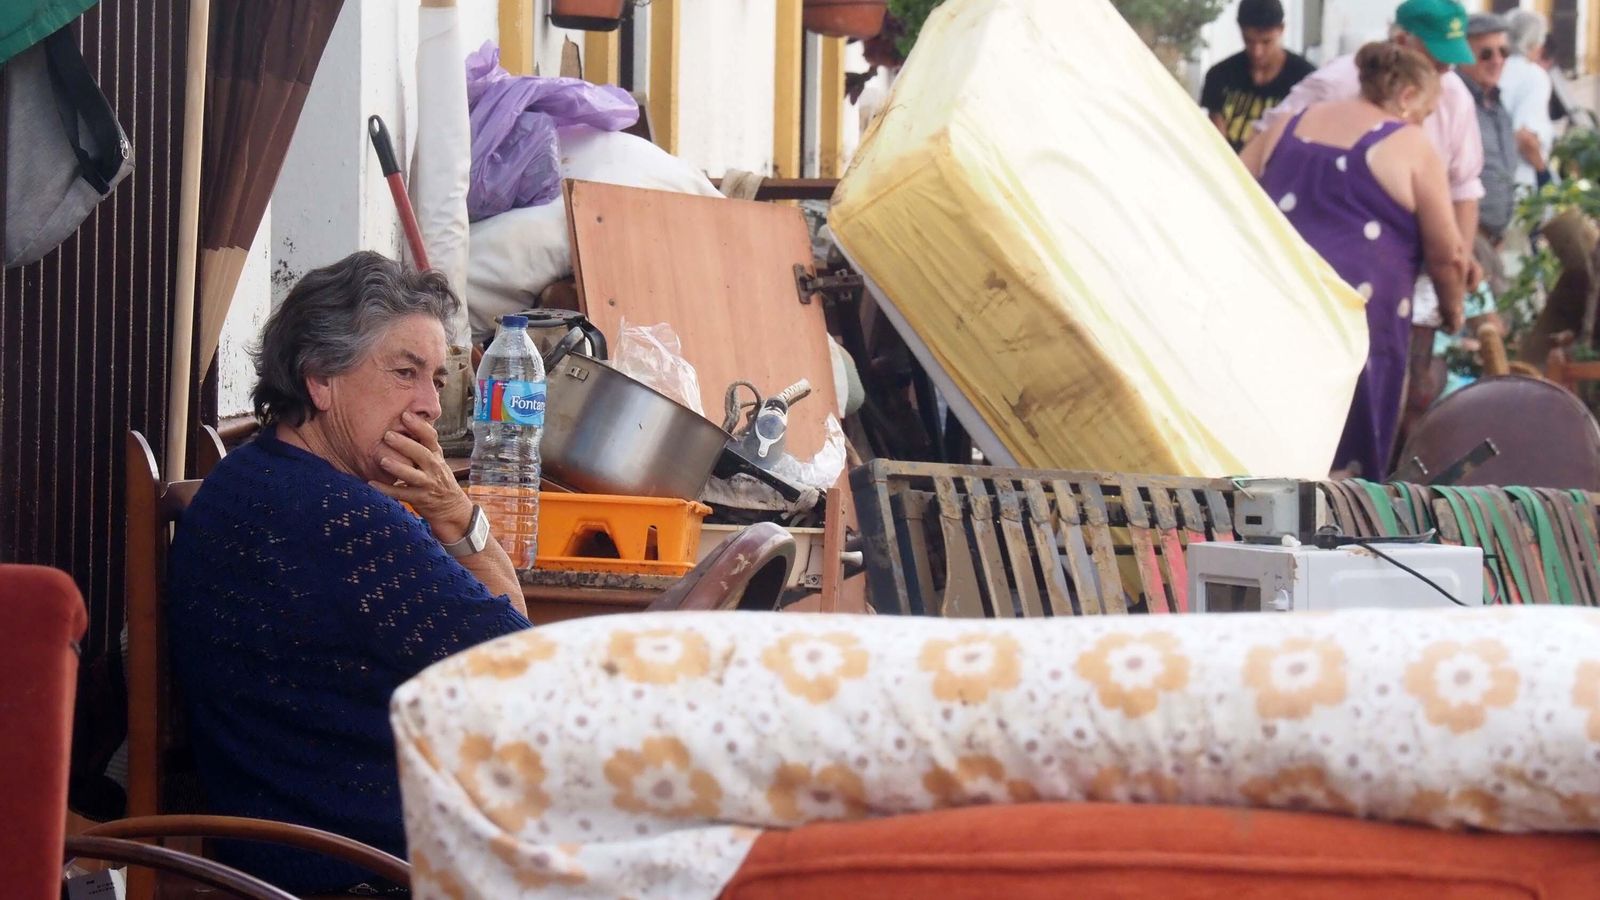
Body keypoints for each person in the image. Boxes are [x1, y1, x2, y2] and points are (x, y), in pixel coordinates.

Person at [167, 252, 532, 894]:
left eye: (437, 380)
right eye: (404, 373)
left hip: (282, 844)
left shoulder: (247, 474)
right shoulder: (342, 520)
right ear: (320, 379)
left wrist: (450, 513)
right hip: (366, 868)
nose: (429, 406)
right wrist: (455, 514)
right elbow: (522, 668)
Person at [1248, 0, 1483, 468]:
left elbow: (1235, 182)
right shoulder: (1407, 140)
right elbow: (1445, 255)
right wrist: (1454, 309)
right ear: (1406, 95)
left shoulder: (1292, 124)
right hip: (1361, 320)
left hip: (1277, 299)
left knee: (1272, 434)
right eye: (1424, 111)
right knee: (1345, 453)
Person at [1199, 0, 1316, 151]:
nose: (1257, 52)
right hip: (1228, 163)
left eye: (1266, 42)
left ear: (1281, 29)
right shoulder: (1219, 75)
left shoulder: (1305, 78)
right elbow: (1217, 141)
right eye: (1249, 41)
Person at [1460, 14, 1518, 244]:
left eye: (1503, 52)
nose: (1497, 60)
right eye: (1486, 54)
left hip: (1494, 238)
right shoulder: (1453, 101)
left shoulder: (1496, 102)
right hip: (1467, 236)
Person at [1499, 9, 1556, 190]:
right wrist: (1543, 174)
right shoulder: (1534, 76)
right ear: (1534, 43)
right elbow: (1525, 136)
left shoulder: (1494, 68)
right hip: (1520, 179)